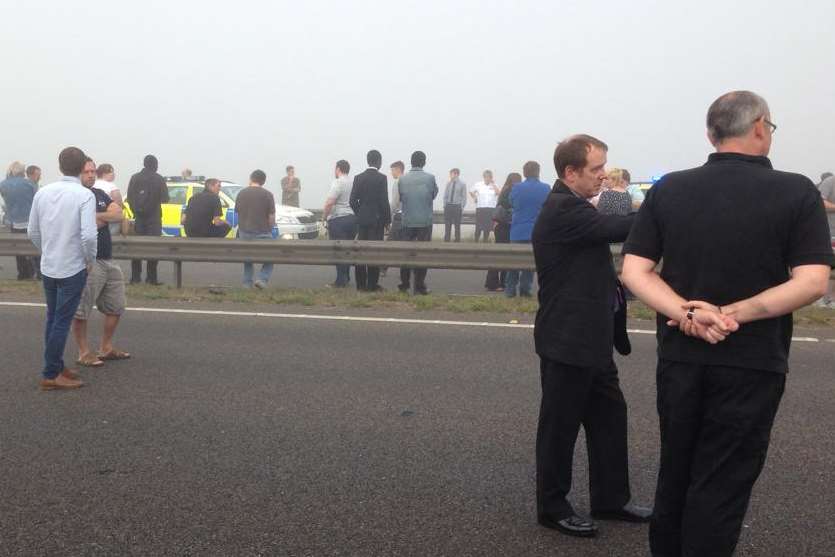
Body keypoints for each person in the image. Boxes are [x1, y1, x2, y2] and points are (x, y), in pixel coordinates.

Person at [621, 91, 834, 557]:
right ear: (759, 127)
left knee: (675, 470)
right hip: (752, 361)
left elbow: (635, 270)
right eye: (771, 127)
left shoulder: (669, 188)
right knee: (722, 482)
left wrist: (686, 313)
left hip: (681, 354)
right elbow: (814, 280)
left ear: (711, 134)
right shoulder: (798, 191)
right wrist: (733, 314)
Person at [532, 135, 649, 539]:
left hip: (594, 342)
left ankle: (611, 499)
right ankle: (551, 507)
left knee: (609, 421)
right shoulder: (563, 209)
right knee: (559, 428)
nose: (603, 175)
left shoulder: (579, 206)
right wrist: (668, 206)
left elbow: (608, 226)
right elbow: (619, 226)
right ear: (570, 173)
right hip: (567, 340)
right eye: (596, 169)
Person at [28, 146, 97, 390]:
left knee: (52, 317)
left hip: (49, 266)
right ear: (81, 168)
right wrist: (90, 260)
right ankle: (50, 373)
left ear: (59, 166)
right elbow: (89, 236)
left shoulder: (42, 193)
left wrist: (47, 250)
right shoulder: (84, 195)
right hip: (72, 267)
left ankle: (55, 365)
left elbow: (32, 231)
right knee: (61, 321)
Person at [71, 158, 129, 368]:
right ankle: (84, 351)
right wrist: (104, 217)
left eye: (93, 171)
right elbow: (86, 223)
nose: (91, 175)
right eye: (86, 171)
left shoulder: (99, 194)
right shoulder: (75, 196)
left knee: (117, 306)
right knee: (82, 309)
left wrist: (97, 215)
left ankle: (106, 347)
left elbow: (118, 213)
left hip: (108, 259)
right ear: (77, 173)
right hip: (88, 261)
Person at [505, 161, 550, 298]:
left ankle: (510, 291)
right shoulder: (546, 188)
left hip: (518, 230)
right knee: (529, 263)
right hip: (537, 230)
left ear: (524, 172)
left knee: (513, 263)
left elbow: (511, 202)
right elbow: (549, 207)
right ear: (538, 172)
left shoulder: (517, 188)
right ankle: (525, 291)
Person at [397, 150, 438, 295]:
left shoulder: (402, 179)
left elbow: (400, 198)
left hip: (407, 221)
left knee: (406, 254)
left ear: (411, 161)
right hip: (424, 222)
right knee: (423, 254)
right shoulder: (430, 178)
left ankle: (404, 284)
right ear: (424, 162)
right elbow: (433, 195)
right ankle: (420, 285)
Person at [350, 150, 391, 291]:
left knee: (360, 252)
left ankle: (360, 285)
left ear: (368, 161)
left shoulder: (358, 178)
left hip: (362, 222)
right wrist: (387, 221)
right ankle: (372, 285)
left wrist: (360, 213)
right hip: (376, 222)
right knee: (374, 253)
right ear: (378, 161)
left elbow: (352, 200)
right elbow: (384, 202)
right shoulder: (381, 178)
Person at [126, 155, 169, 285]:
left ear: (144, 164)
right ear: (155, 165)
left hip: (138, 218)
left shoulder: (134, 178)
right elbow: (165, 198)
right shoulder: (159, 179)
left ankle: (135, 278)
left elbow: (129, 198)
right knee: (153, 248)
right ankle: (151, 278)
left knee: (136, 248)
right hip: (154, 218)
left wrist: (136, 210)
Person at [236, 170, 276, 289]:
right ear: (263, 181)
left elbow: (238, 212)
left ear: (251, 179)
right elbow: (271, 216)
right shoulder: (268, 194)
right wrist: (270, 228)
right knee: (271, 257)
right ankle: (262, 279)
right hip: (263, 232)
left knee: (248, 259)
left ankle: (246, 283)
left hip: (244, 232)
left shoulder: (241, 193)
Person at [484, 172, 521, 291]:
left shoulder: (505, 190)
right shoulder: (510, 192)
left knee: (500, 255)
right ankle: (497, 283)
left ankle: (497, 283)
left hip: (501, 227)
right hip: (506, 227)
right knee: (504, 255)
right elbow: (509, 207)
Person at [1, 161, 37, 280]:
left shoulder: (3, 184)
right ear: (22, 171)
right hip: (30, 220)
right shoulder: (30, 184)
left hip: (13, 221)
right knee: (33, 249)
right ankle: (35, 273)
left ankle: (22, 273)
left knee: (18, 249)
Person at [324, 160, 357, 288]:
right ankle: (346, 277)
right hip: (352, 219)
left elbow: (329, 202)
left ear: (338, 169)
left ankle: (340, 281)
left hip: (339, 219)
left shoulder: (338, 182)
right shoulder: (353, 182)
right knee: (347, 250)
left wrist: (324, 217)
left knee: (339, 250)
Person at [382, 160, 406, 278]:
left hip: (398, 217)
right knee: (405, 245)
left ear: (397, 169)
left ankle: (383, 268)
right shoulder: (407, 181)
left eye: (392, 170)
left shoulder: (397, 182)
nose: (391, 173)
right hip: (407, 217)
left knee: (389, 245)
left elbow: (395, 203)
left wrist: (388, 219)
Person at [817, 172, 835, 307]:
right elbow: (819, 202)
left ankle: (831, 299)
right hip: (830, 232)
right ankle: (824, 299)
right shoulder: (830, 181)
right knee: (828, 267)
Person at [94, 163, 124, 237]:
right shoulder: (111, 186)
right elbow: (119, 204)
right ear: (104, 174)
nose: (114, 174)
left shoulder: (93, 185)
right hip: (110, 222)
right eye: (111, 172)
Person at [471, 169, 500, 242]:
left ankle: (485, 241)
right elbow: (471, 191)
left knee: (487, 227)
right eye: (486, 177)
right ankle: (476, 240)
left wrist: (493, 184)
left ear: (491, 177)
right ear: (484, 177)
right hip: (481, 208)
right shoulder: (478, 184)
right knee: (478, 226)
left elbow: (498, 193)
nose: (488, 178)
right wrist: (474, 197)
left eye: (489, 177)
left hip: (490, 208)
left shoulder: (494, 185)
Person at [442, 168, 467, 242]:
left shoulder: (462, 184)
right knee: (447, 225)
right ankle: (447, 240)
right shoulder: (448, 183)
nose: (450, 175)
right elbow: (445, 195)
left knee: (457, 225)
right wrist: (445, 205)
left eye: (451, 174)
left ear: (456, 174)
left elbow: (464, 197)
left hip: (457, 206)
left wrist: (461, 207)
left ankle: (457, 240)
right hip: (448, 206)